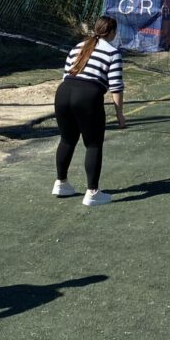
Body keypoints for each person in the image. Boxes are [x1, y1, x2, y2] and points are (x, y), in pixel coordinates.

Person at [51, 15, 125, 206]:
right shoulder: (113, 53)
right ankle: (92, 192)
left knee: (67, 139)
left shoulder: (77, 47)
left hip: (63, 92)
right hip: (87, 96)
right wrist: (120, 114)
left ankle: (61, 183)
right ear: (112, 32)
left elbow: (66, 74)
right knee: (93, 144)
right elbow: (116, 86)